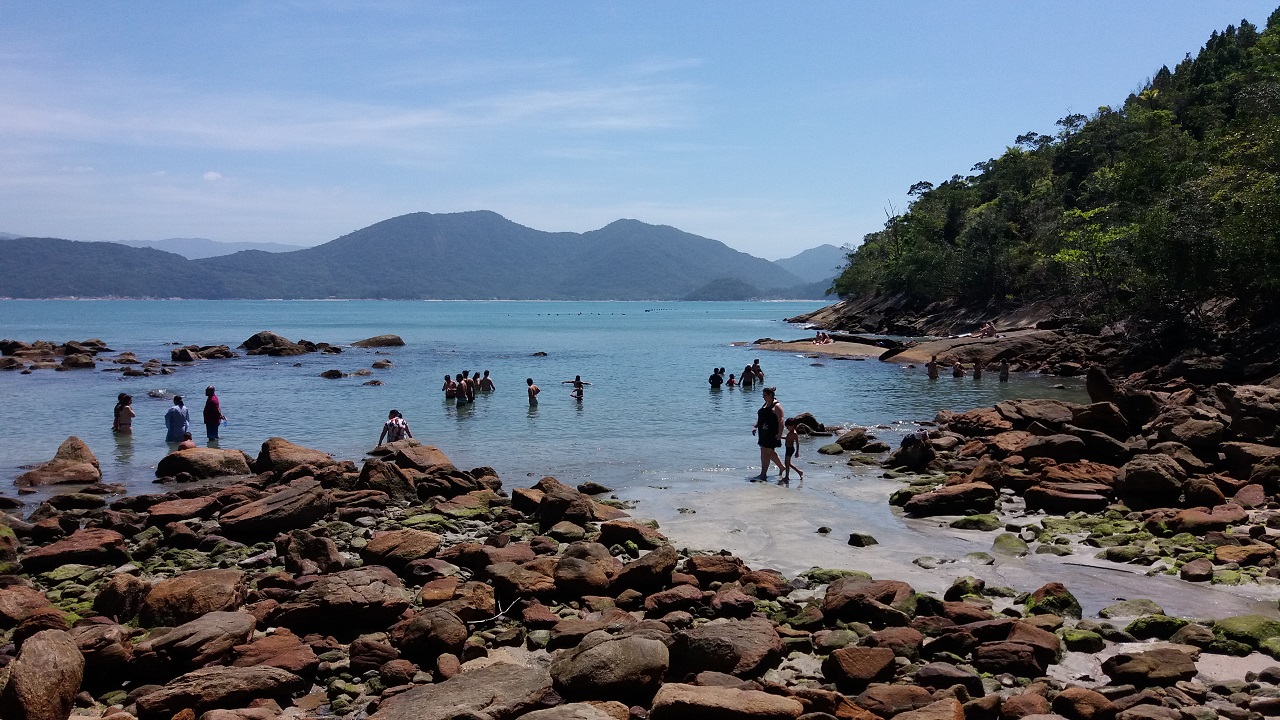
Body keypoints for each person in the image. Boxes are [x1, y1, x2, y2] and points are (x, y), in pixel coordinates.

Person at [751, 387, 786, 481]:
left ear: (770, 395)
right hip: (763, 432)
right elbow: (762, 416)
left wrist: (779, 434)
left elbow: (781, 420)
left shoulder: (777, 406)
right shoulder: (766, 403)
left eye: (765, 395)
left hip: (771, 433)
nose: (763, 397)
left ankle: (763, 474)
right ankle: (781, 467)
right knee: (768, 452)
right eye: (763, 396)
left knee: (765, 452)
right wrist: (755, 426)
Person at [782, 417, 804, 484]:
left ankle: (787, 476)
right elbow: (787, 438)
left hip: (790, 449)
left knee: (787, 463)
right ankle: (799, 472)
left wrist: (797, 452)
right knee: (787, 463)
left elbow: (797, 443)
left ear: (793, 426)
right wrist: (780, 437)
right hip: (788, 448)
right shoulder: (790, 432)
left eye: (788, 427)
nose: (787, 428)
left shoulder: (794, 433)